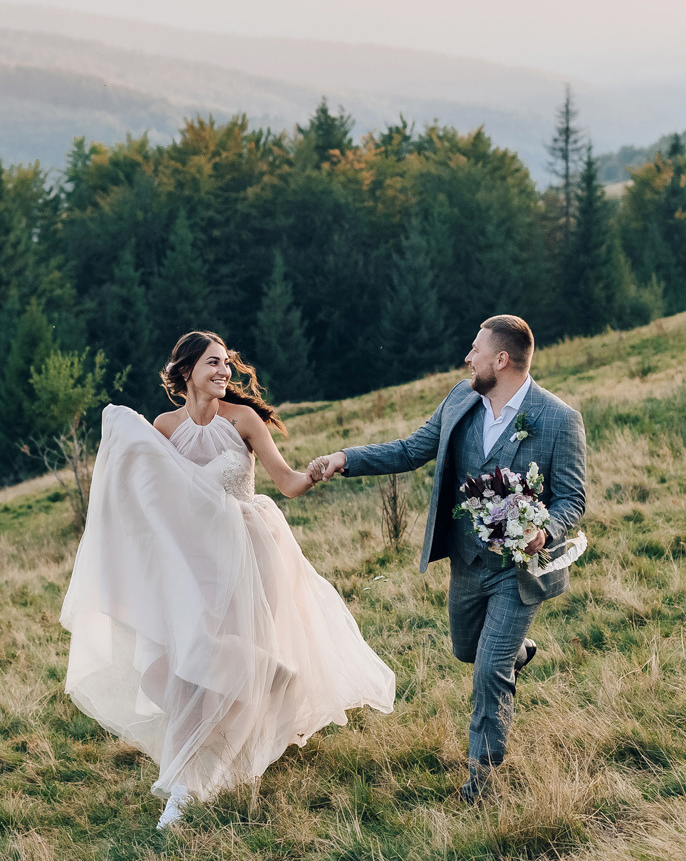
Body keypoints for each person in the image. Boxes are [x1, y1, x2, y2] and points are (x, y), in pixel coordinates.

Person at [61, 331, 396, 828]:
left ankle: (188, 787)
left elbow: (287, 483)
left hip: (252, 554)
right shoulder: (164, 427)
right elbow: (154, 496)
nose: (224, 372)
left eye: (226, 364)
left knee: (222, 662)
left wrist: (317, 471)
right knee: (182, 669)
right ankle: (221, 750)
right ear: (186, 372)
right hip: (194, 562)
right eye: (213, 364)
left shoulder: (243, 421)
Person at [306, 314, 586, 803]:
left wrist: (545, 531)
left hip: (519, 572)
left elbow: (572, 499)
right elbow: (411, 450)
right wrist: (345, 459)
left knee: (489, 671)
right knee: (466, 649)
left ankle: (482, 781)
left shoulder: (559, 419)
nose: (467, 357)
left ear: (502, 360)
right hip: (468, 561)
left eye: (476, 350)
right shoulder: (461, 398)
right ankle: (519, 653)